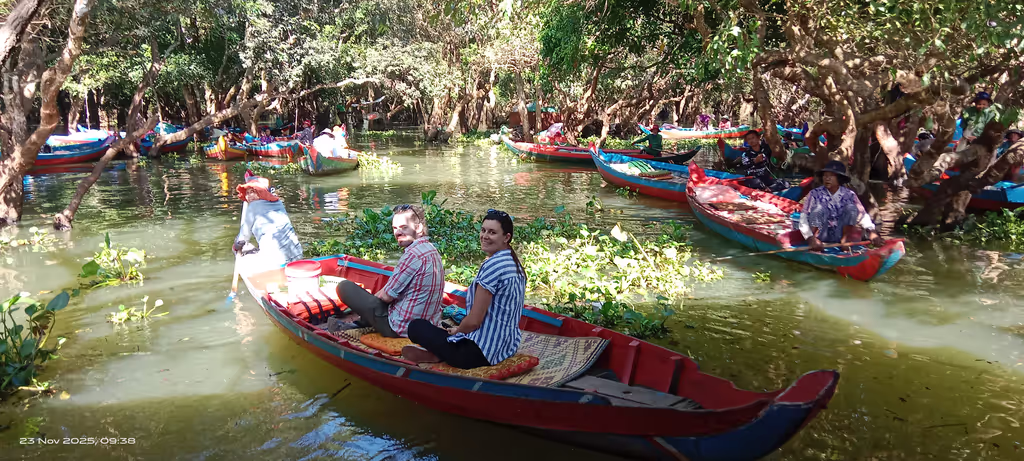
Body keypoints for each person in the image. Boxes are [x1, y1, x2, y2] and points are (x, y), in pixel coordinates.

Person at [403, 209, 526, 369]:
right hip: (506, 347)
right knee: (445, 327)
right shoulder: (514, 263)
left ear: (506, 237)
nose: (485, 236)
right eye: (483, 230)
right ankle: (440, 352)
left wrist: (458, 331)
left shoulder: (492, 266)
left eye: (492, 232)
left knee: (416, 326)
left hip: (478, 353)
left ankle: (440, 354)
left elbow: (474, 322)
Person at [336, 204, 444, 338]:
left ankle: (363, 322)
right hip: (427, 325)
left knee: (344, 287)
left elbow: (385, 297)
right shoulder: (432, 249)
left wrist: (366, 307)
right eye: (395, 228)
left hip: (401, 329)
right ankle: (364, 321)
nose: (398, 233)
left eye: (404, 227)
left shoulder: (413, 255)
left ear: (419, 228)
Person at [798, 161, 885, 252]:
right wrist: (810, 238)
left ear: (839, 178)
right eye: (825, 175)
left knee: (851, 208)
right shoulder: (814, 194)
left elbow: (862, 214)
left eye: (831, 175)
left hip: (839, 234)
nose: (827, 178)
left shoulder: (849, 194)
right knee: (818, 209)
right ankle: (814, 241)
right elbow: (803, 217)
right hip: (820, 234)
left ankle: (845, 240)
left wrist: (872, 231)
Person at [233, 171, 303, 269]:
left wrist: (237, 245)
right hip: (297, 254)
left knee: (244, 252)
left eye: (253, 192)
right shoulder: (278, 203)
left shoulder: (253, 206)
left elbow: (244, 235)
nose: (249, 196)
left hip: (275, 260)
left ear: (261, 192)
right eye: (247, 193)